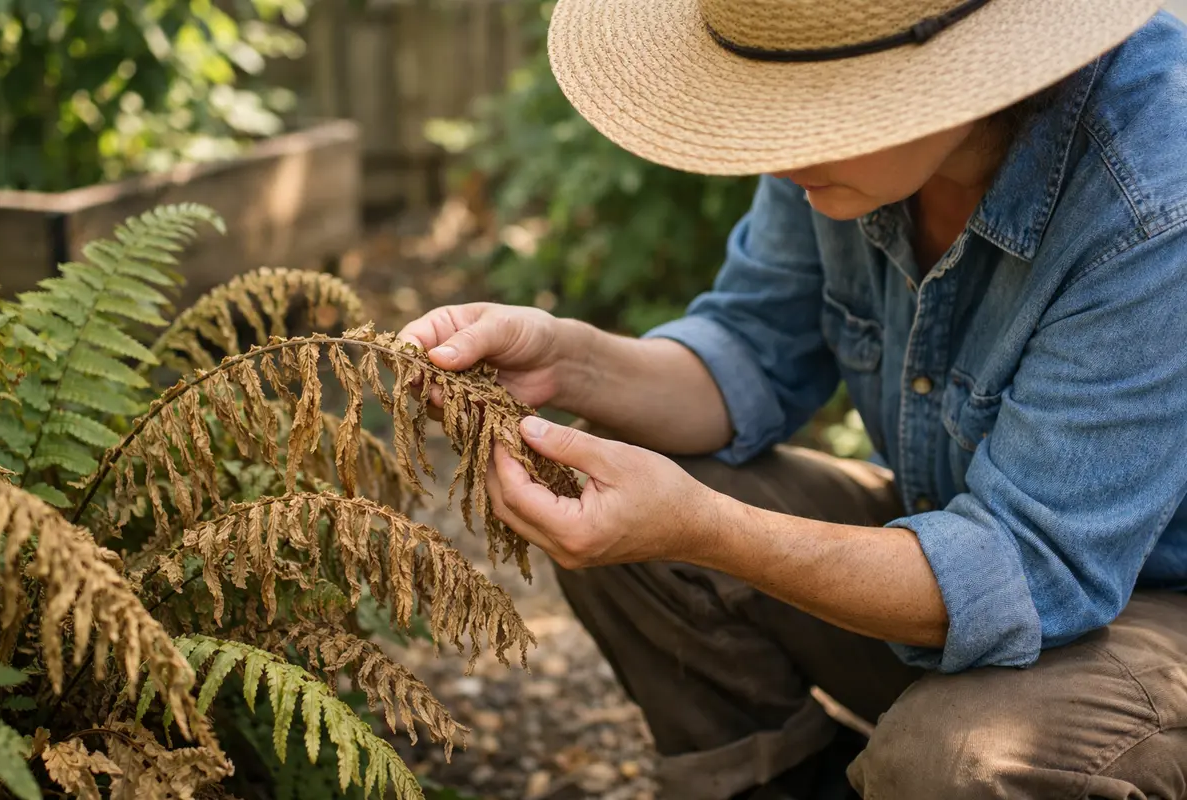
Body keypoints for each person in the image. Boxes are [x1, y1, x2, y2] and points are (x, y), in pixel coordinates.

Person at [400, 1, 1187, 797]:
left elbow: (1032, 567)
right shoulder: (843, 146)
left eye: (811, 106)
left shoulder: (1157, 200)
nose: (772, 150)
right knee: (635, 521)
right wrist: (569, 362)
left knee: (958, 759)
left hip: (1154, 614)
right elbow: (752, 350)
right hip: (981, 552)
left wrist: (705, 527)